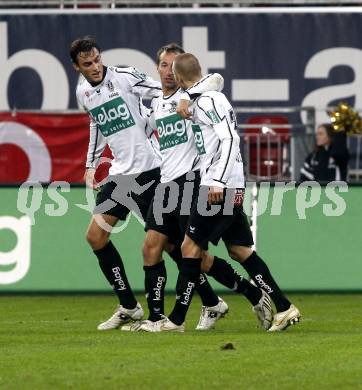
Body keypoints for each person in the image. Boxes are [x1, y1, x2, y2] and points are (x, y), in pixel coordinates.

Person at [70, 36, 226, 331]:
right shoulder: (82, 93)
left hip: (151, 172)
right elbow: (96, 124)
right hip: (120, 176)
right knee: (95, 236)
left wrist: (188, 94)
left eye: (97, 60)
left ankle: (211, 301)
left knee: (170, 246)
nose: (94, 67)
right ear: (77, 67)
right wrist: (90, 165)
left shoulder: (126, 77)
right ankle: (129, 306)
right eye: (87, 64)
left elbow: (170, 89)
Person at [140, 53, 301, 333]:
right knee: (240, 251)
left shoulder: (210, 100)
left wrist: (216, 180)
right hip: (225, 182)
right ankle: (284, 307)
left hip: (219, 185)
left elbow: (229, 138)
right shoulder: (204, 98)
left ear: (178, 78)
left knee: (189, 248)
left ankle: (176, 320)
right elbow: (211, 85)